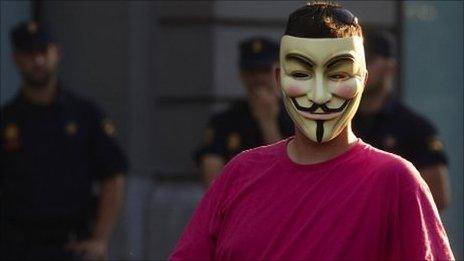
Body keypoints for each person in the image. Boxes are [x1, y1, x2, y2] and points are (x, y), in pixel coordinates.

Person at [170, 2, 454, 260]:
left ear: (363, 79)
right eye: (302, 74)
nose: (319, 96)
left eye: (338, 75)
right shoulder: (239, 174)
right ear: (280, 78)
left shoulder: (395, 181)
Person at [0, 21, 128, 260]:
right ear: (16, 59)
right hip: (16, 248)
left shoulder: (85, 115)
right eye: (29, 54)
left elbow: (113, 176)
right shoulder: (7, 121)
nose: (38, 61)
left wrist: (100, 239)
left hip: (72, 246)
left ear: (56, 54)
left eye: (43, 52)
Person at [353, 30, 451, 211]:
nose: (361, 68)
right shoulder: (340, 122)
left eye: (369, 60)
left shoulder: (415, 128)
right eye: (355, 61)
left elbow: (437, 197)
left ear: (391, 68)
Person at [195, 36, 293, 186]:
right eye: (252, 72)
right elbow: (211, 180)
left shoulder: (296, 119)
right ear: (242, 76)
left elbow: (290, 176)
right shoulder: (225, 121)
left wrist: (267, 123)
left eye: (264, 71)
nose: (258, 79)